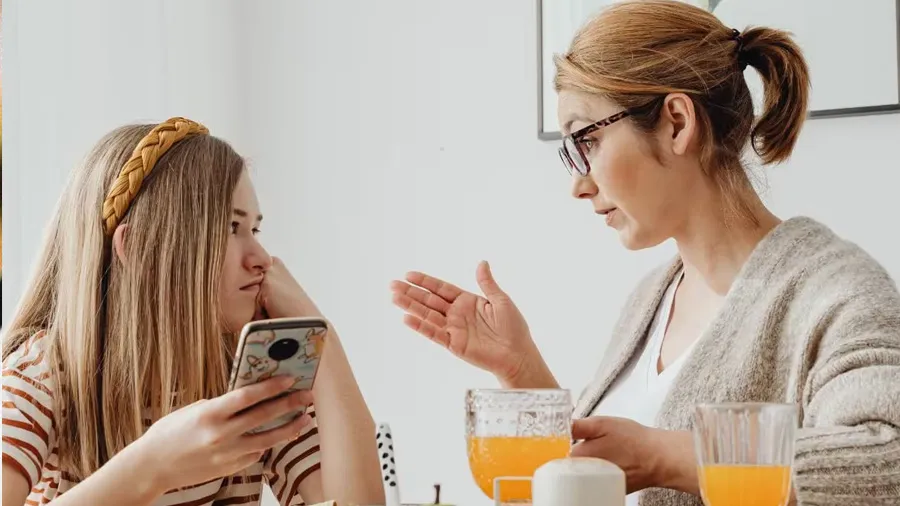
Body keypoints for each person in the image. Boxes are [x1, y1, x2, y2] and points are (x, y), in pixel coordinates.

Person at [390, 1, 900, 504]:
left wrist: (665, 457)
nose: (578, 186)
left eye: (585, 141)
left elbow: (886, 461)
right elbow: (605, 476)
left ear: (677, 123)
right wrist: (522, 368)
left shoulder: (836, 293)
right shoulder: (653, 299)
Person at [2, 117, 385, 506]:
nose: (261, 258)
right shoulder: (41, 377)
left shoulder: (246, 380)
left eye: (254, 230)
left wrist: (323, 339)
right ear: (138, 250)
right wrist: (153, 466)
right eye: (231, 227)